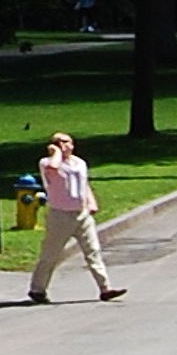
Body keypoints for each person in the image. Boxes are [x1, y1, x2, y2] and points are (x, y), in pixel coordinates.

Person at [23, 130, 122, 305]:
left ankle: (105, 288)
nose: (64, 145)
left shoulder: (79, 163)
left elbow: (84, 183)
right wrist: (57, 154)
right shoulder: (47, 163)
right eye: (59, 142)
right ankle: (37, 289)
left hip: (81, 214)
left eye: (67, 142)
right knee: (50, 254)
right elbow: (53, 168)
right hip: (60, 215)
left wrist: (91, 202)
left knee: (93, 251)